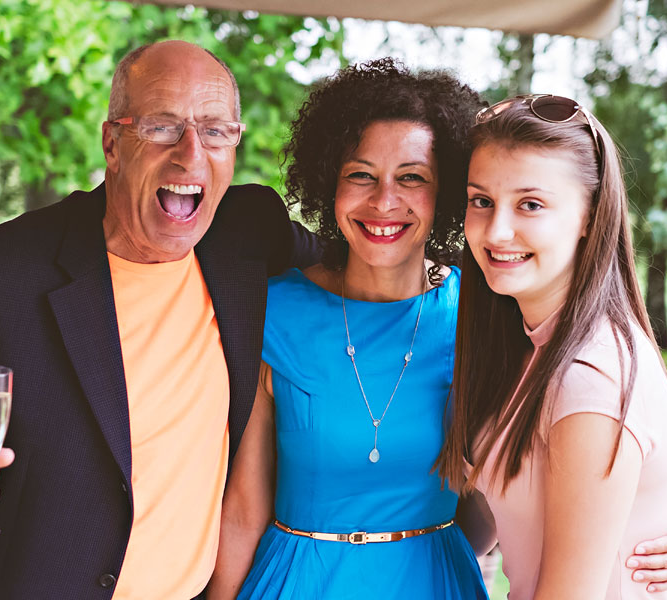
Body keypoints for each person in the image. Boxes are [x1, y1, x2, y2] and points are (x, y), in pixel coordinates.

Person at [0, 41, 318, 600]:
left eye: (216, 131)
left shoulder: (248, 233)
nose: (190, 153)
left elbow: (364, 263)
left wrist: (440, 274)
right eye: (161, 126)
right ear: (112, 143)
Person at [208, 58, 490, 599]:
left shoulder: (476, 314)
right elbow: (245, 507)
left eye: (412, 177)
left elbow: (518, 480)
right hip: (295, 583)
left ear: (447, 192)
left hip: (433, 583)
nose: (384, 201)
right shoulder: (279, 310)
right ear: (327, 185)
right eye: (360, 175)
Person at [438, 94, 667, 599]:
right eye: (481, 200)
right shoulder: (529, 348)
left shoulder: (591, 374)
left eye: (531, 204)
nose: (497, 230)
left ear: (590, 215)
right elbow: (490, 523)